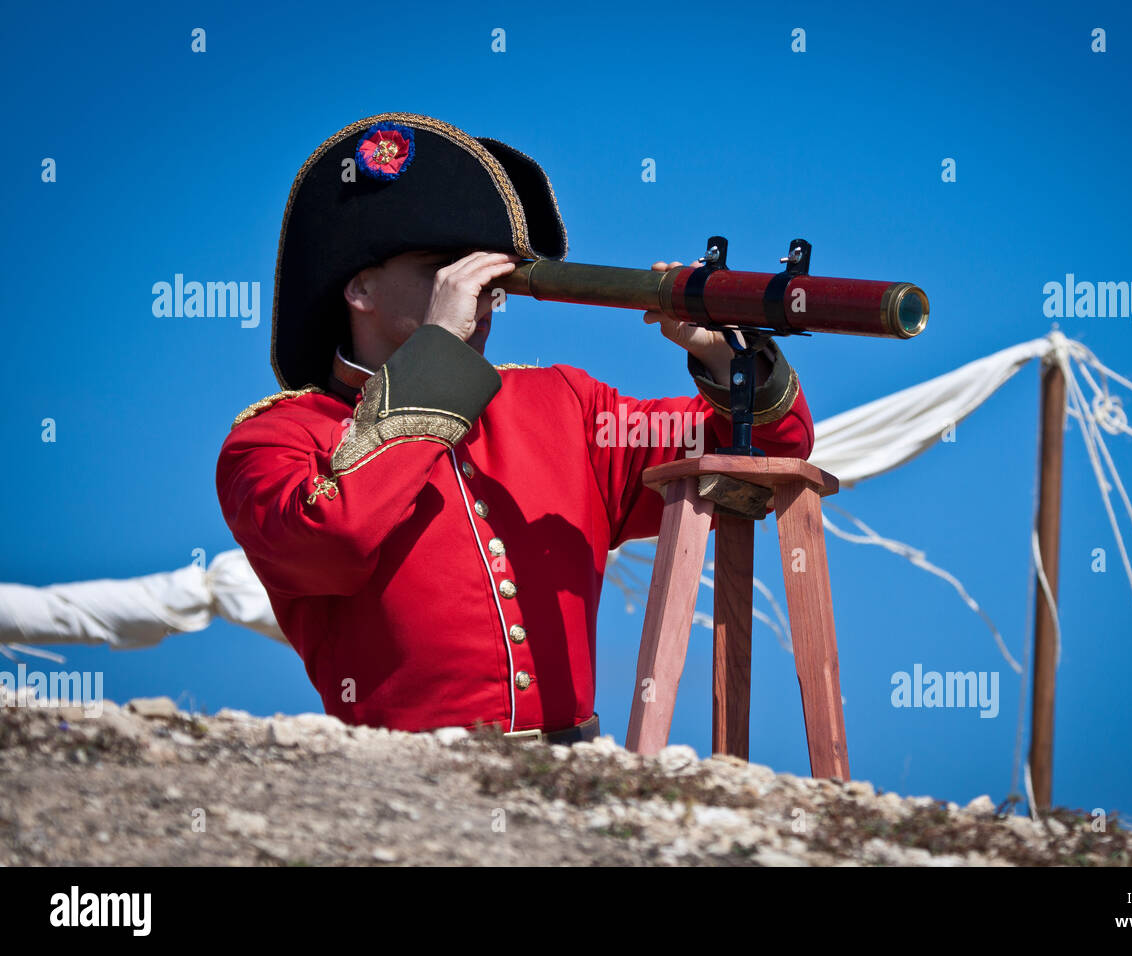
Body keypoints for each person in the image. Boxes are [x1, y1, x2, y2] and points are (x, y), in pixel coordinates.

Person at [216, 113, 814, 743]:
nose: (475, 295)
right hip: (397, 796)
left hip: (573, 787)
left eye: (487, 277)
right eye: (443, 271)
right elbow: (334, 542)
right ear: (360, 287)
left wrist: (720, 354)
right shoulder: (274, 438)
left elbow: (768, 452)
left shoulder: (561, 404)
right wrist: (437, 355)